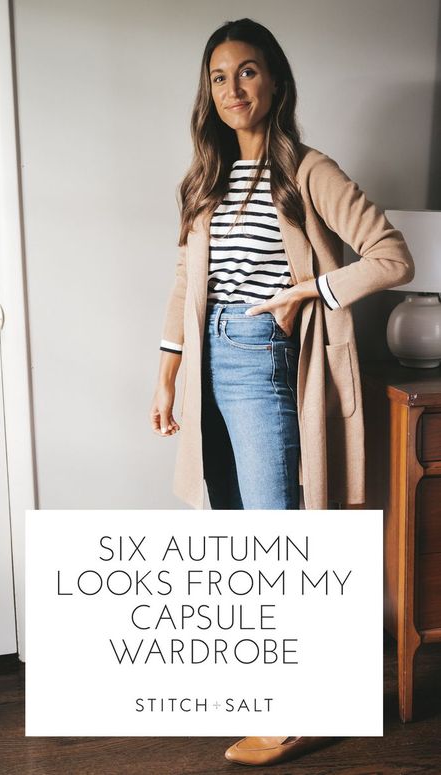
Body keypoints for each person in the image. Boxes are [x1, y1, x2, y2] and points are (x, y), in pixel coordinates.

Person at [149, 17, 414, 765]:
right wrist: (166, 375)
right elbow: (184, 285)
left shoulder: (307, 170)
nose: (234, 89)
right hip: (209, 361)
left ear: (276, 81)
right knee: (238, 531)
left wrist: (312, 291)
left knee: (279, 535)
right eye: (219, 77)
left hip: (264, 358)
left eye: (249, 72)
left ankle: (302, 707)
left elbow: (394, 257)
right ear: (209, 92)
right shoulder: (206, 176)